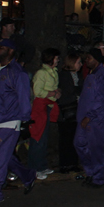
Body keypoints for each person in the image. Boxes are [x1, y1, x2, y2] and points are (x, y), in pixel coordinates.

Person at [0, 39, 37, 204]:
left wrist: (25, 120)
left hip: (9, 122)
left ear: (11, 51)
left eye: (1, 48)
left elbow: (24, 98)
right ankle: (27, 175)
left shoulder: (18, 73)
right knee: (2, 156)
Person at [74, 48, 104, 187]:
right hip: (85, 117)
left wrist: (90, 116)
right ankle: (91, 172)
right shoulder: (93, 74)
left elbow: (100, 100)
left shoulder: (103, 76)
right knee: (79, 143)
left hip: (96, 119)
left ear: (97, 59)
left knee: (95, 148)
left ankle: (98, 178)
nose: (87, 61)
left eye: (89, 58)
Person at [29, 48, 61, 179]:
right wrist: (53, 93)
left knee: (44, 138)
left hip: (48, 107)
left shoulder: (53, 71)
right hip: (40, 108)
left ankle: (42, 165)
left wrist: (57, 91)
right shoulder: (41, 73)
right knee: (38, 138)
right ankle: (34, 168)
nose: (58, 60)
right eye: (56, 58)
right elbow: (38, 91)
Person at [57, 53, 83, 174]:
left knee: (74, 138)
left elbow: (81, 89)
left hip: (76, 111)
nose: (80, 65)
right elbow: (71, 91)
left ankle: (73, 163)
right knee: (65, 139)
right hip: (66, 111)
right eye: (78, 62)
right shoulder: (64, 75)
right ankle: (64, 164)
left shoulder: (78, 75)